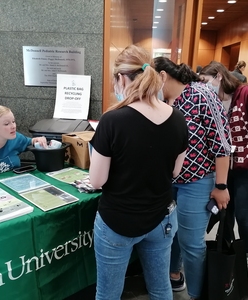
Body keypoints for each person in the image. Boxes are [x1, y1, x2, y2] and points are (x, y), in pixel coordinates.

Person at [89, 45, 188, 300]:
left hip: (118, 222)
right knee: (160, 288)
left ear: (121, 78)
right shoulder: (178, 118)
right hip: (161, 218)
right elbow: (176, 171)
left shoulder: (113, 120)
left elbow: (97, 181)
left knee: (108, 294)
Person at [153, 57, 231, 300]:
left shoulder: (201, 95)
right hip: (169, 182)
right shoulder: (162, 100)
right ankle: (175, 275)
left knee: (192, 244)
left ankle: (196, 294)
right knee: (170, 234)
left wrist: (221, 185)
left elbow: (222, 144)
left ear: (163, 76)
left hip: (198, 181)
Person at [199, 61, 248, 259]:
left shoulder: (243, 94)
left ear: (219, 76)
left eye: (205, 81)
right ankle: (228, 258)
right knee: (224, 215)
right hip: (227, 168)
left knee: (243, 217)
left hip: (244, 169)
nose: (204, 87)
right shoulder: (215, 102)